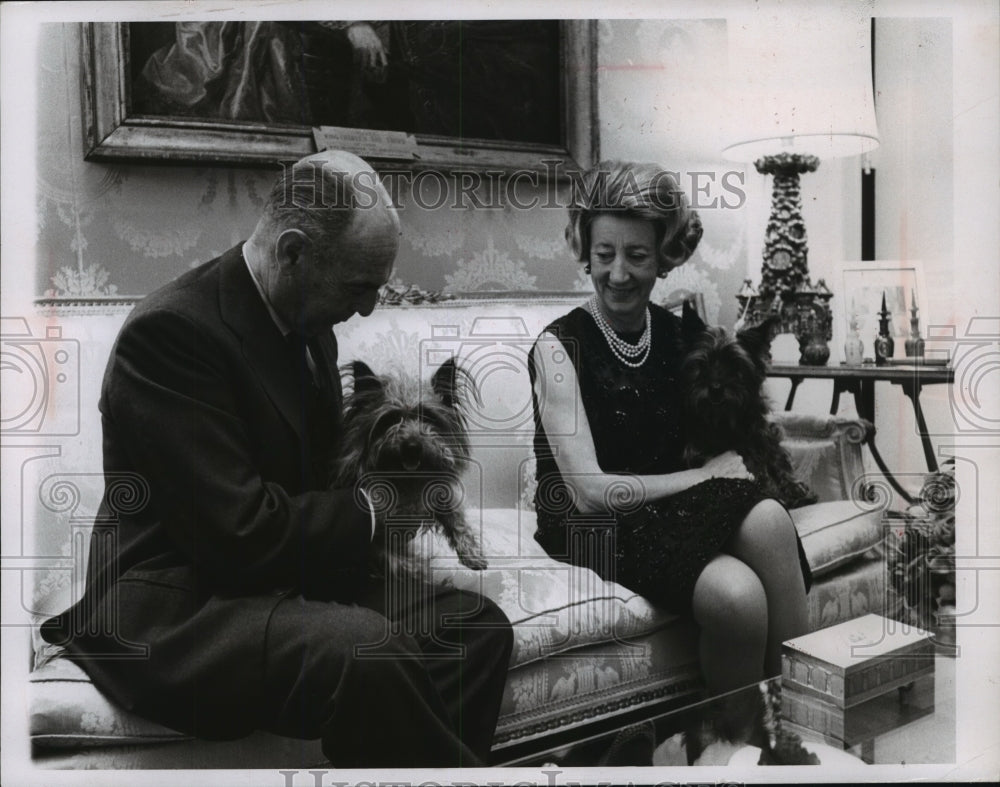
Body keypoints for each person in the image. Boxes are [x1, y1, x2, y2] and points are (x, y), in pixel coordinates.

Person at [40, 150, 513, 768]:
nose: (368, 308)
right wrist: (379, 506)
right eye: (358, 287)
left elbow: (322, 475)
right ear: (293, 252)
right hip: (184, 607)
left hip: (280, 583)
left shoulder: (309, 327)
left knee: (476, 628)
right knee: (365, 647)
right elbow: (236, 532)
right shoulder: (170, 334)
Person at [528, 160, 811, 695]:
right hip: (594, 524)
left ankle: (799, 718)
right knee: (737, 597)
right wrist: (705, 477)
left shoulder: (677, 334)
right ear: (585, 252)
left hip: (667, 506)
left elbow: (730, 404)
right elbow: (587, 493)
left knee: (771, 520)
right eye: (604, 255)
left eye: (637, 256)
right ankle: (741, 734)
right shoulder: (557, 347)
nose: (618, 274)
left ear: (664, 258)